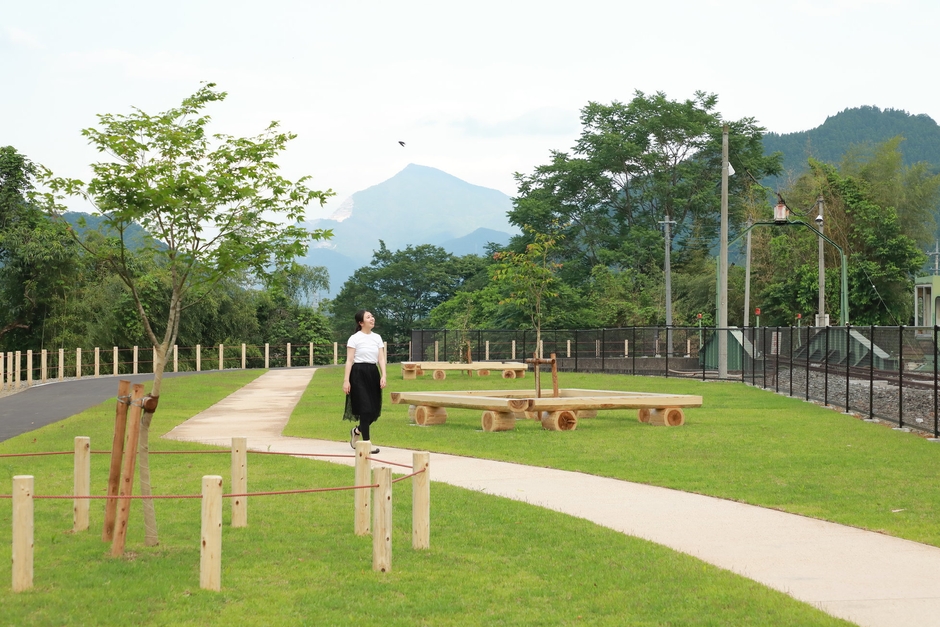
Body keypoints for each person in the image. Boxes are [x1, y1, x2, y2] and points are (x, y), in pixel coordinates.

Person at [342, 310, 387, 453]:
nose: (372, 318)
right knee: (365, 409)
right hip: (358, 374)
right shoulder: (354, 338)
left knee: (374, 411)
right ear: (361, 322)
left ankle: (357, 431)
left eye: (372, 316)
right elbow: (349, 360)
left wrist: (384, 375)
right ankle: (367, 443)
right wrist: (346, 380)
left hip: (373, 373)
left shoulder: (377, 338)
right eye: (368, 317)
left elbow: (381, 358)